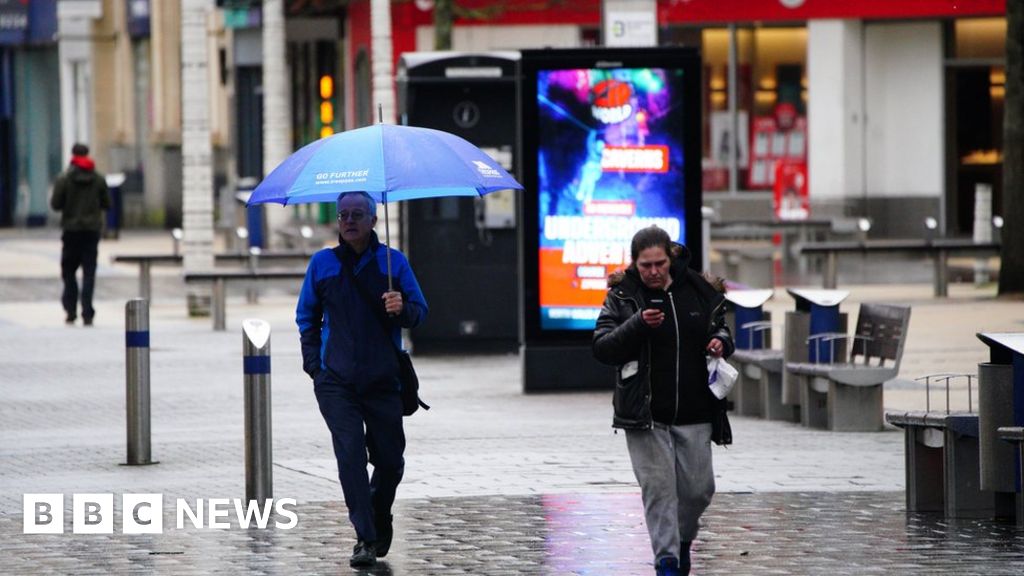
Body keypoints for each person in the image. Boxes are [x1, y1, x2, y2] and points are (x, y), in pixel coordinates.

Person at [296, 191, 428, 568]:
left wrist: (401, 307)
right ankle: (365, 538)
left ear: (373, 220)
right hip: (336, 381)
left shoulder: (392, 263)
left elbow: (421, 312)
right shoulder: (322, 264)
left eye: (357, 214)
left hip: (383, 378)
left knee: (390, 461)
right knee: (350, 455)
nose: (349, 221)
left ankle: (378, 512)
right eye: (343, 215)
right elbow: (307, 317)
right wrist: (314, 367)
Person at [592, 226, 734, 576]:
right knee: (659, 490)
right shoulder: (623, 295)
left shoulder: (700, 291)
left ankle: (683, 541)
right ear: (634, 264)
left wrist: (720, 341)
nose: (653, 272)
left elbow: (722, 329)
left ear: (670, 258)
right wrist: (638, 324)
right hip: (645, 413)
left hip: (696, 409)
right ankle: (667, 562)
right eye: (645, 266)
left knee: (699, 490)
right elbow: (602, 346)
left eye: (659, 264)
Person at [50, 143, 111, 326]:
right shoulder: (98, 179)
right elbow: (107, 203)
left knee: (68, 271)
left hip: (71, 232)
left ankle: (70, 310)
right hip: (91, 232)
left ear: (72, 154)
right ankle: (87, 312)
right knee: (89, 272)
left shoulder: (64, 179)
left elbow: (55, 204)